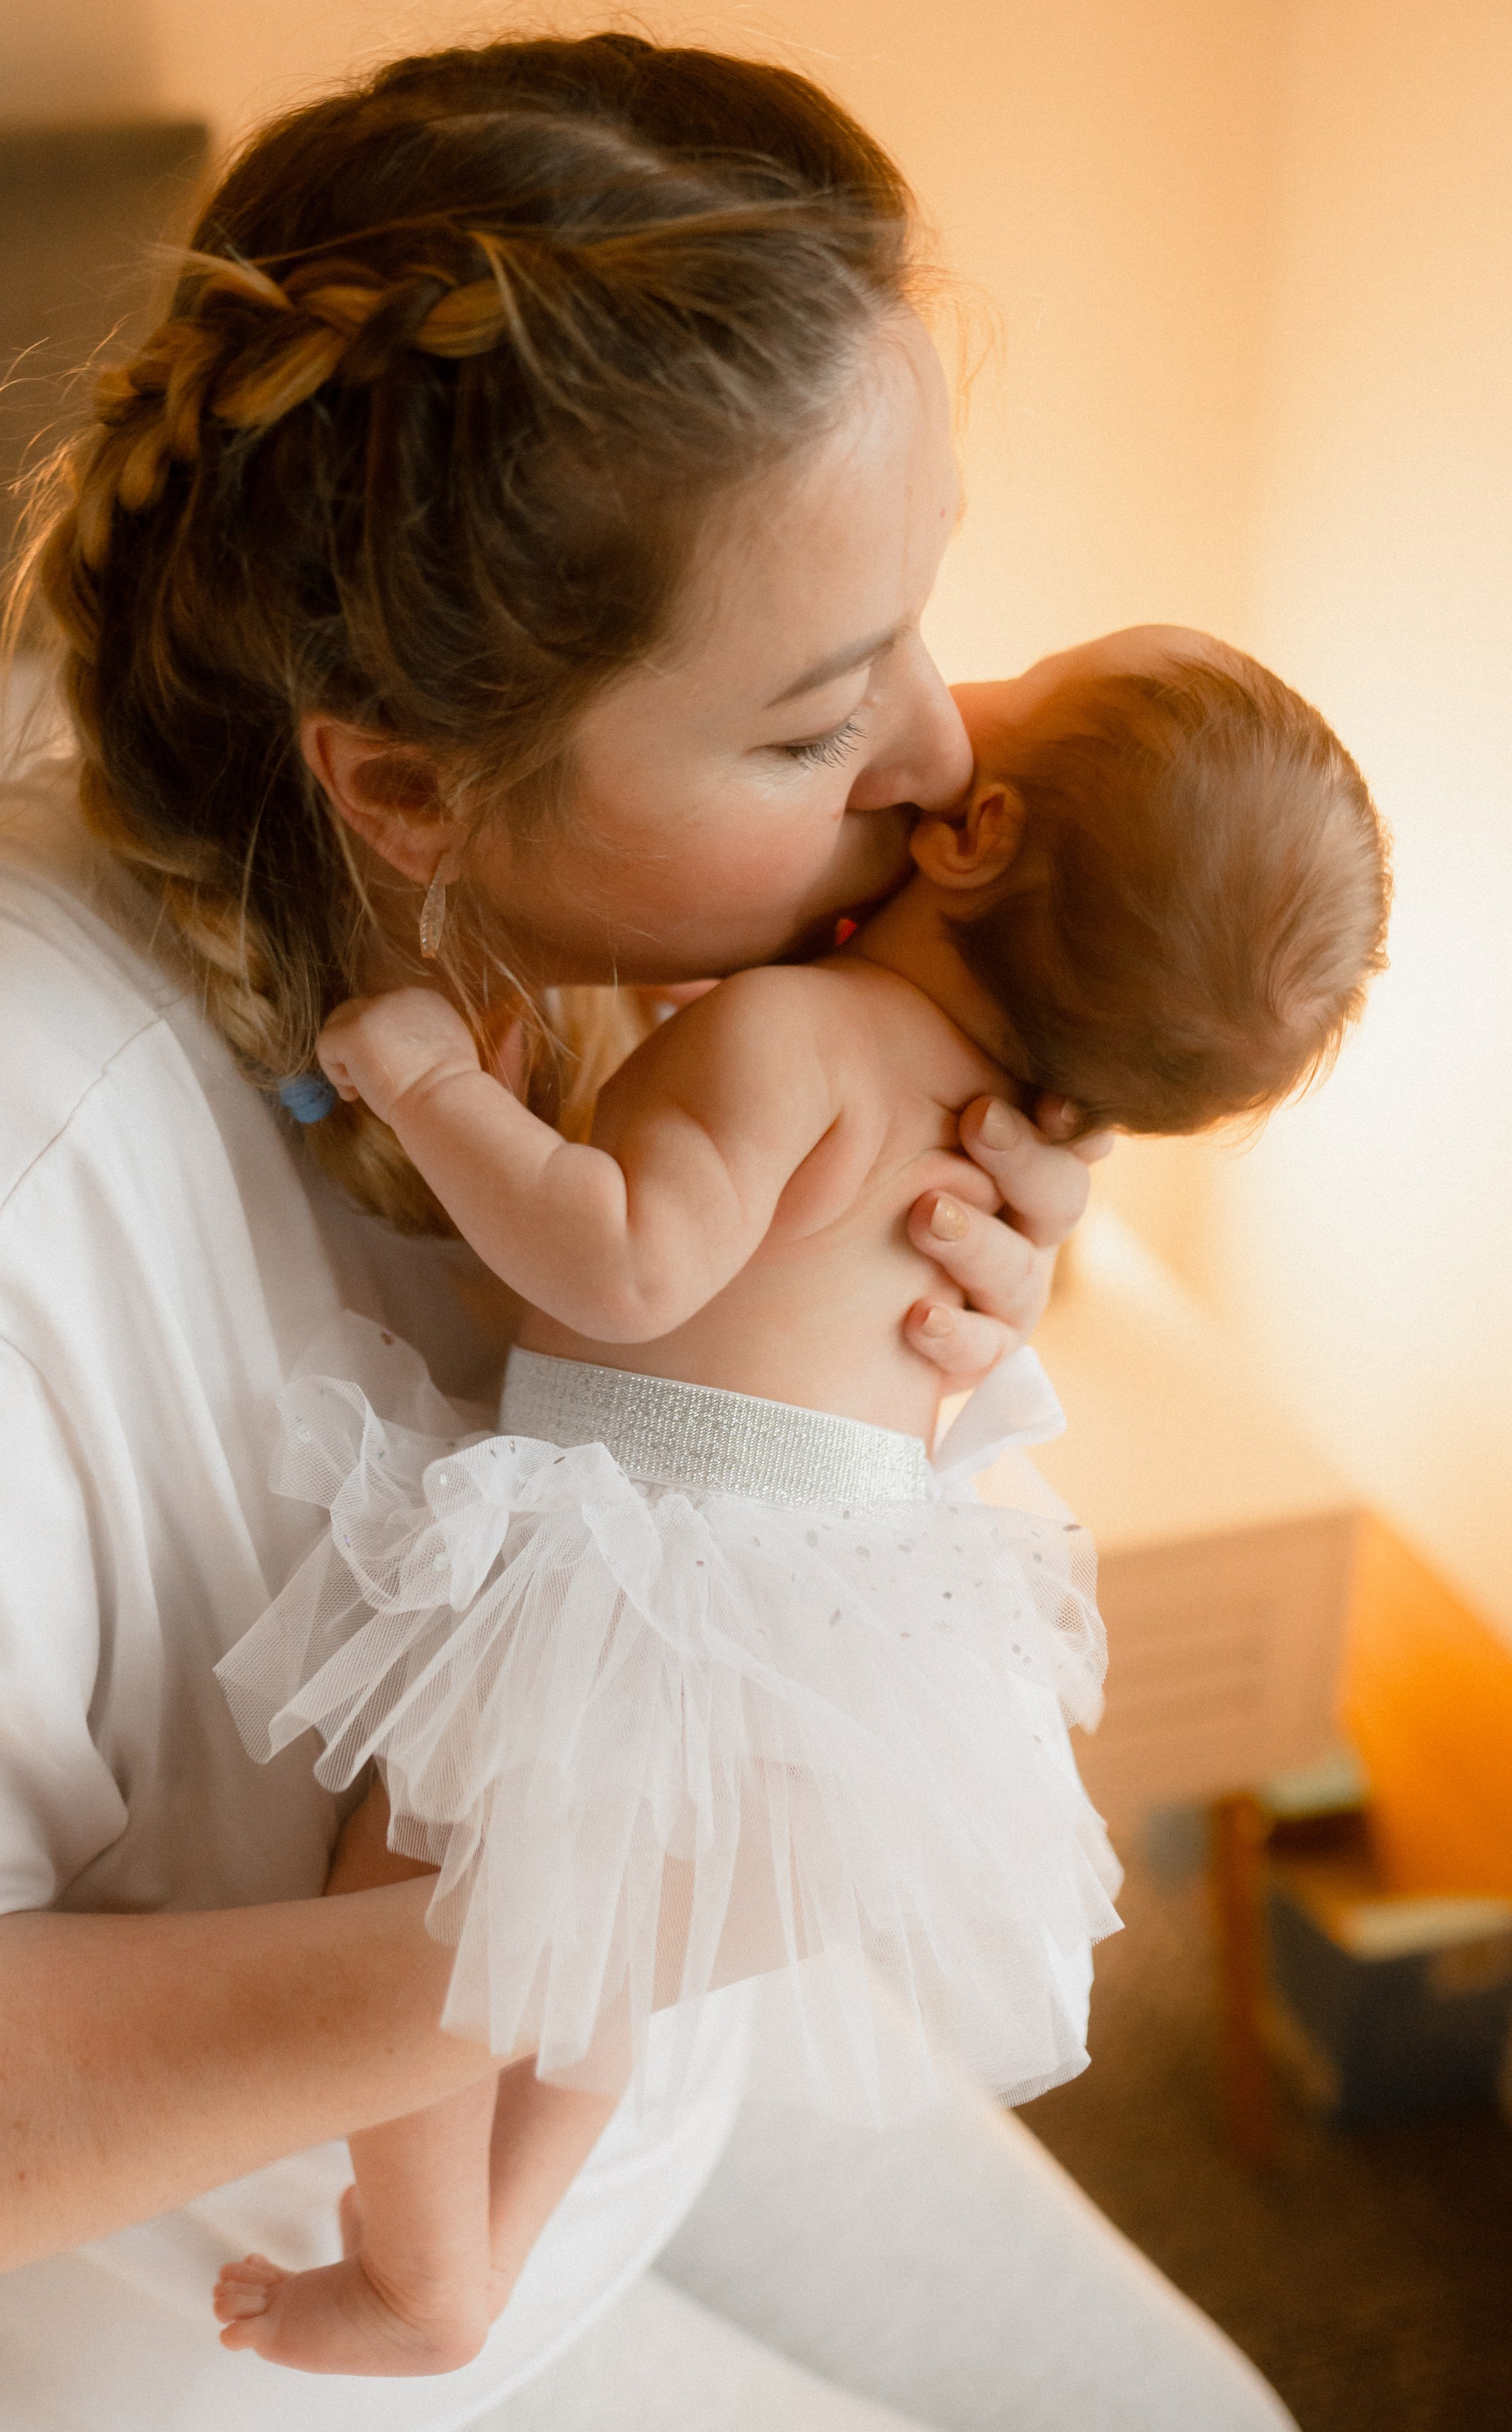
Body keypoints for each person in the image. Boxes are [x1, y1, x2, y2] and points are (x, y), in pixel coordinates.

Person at [0, 34, 1298, 2432]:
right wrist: (587, 1907)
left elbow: (705, 1475)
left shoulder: (635, 962)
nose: (939, 765)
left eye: (927, 626)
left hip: (603, 2109)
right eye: (816, 725)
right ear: (398, 779)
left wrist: (935, 1297)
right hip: (194, 2344)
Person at [210, 623, 1388, 2377]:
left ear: (973, 834)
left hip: (649, 1557)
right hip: (828, 1622)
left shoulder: (793, 1032)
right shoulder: (971, 1117)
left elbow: (621, 1266)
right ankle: (499, 2244)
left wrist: (431, 1085)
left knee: (419, 1902)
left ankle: (422, 2263)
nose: (930, 697)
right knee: (586, 1954)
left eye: (1008, 676)